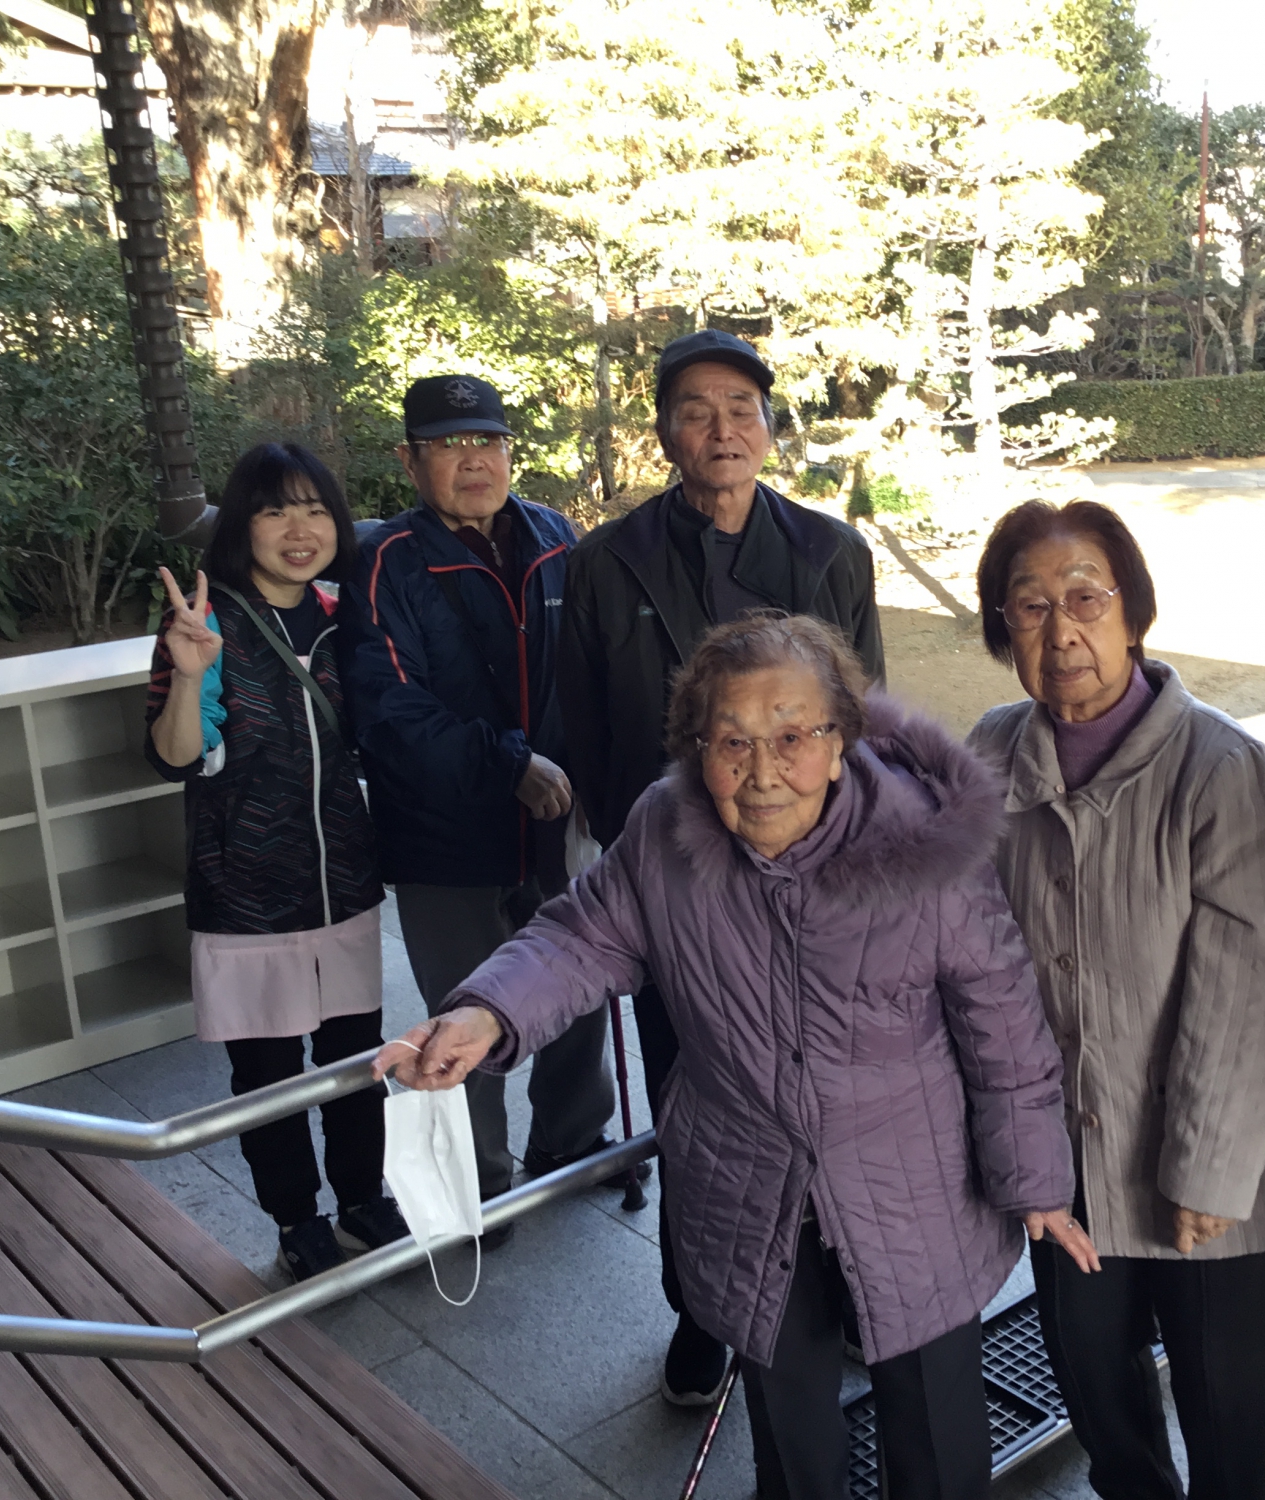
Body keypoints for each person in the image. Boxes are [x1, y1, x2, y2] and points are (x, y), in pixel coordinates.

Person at [378, 614, 1094, 1500]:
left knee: (936, 1437)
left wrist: (1035, 1182)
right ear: (697, 749)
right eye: (732, 742)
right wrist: (486, 1013)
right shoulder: (664, 830)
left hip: (911, 1192)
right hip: (745, 1184)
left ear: (840, 743)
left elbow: (1003, 1024)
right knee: (791, 1441)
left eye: (792, 737)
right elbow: (579, 936)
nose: (761, 773)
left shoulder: (923, 848)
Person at [966, 499, 1265, 1500]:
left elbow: (1248, 985)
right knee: (1098, 1395)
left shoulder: (1221, 765)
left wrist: (1205, 1168)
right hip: (1066, 1158)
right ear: (1003, 630)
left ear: (1132, 612)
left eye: (1084, 598)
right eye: (1029, 607)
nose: (1061, 632)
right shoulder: (991, 752)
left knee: (1224, 1412)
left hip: (1207, 1165)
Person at [556, 329, 884, 1402]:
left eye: (742, 408)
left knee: (829, 1091)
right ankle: (703, 1314)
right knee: (691, 1106)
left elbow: (865, 726)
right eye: (696, 410)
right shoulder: (607, 562)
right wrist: (644, 854)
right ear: (664, 433)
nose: (722, 429)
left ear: (770, 428)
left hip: (814, 885)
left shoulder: (830, 554)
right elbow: (585, 724)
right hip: (680, 893)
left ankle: (842, 1289)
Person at [342, 373, 617, 1238]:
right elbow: (389, 709)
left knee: (576, 986)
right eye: (449, 445)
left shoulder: (555, 537)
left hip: (558, 826)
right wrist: (509, 764)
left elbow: (597, 669)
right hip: (447, 838)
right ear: (409, 461)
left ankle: (573, 1143)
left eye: (488, 442)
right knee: (464, 1008)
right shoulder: (387, 560)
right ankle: (479, 1185)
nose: (474, 461)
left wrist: (598, 777)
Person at [144, 442, 407, 1281]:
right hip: (245, 889)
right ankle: (297, 1217)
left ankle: (363, 1197)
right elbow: (176, 758)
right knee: (267, 1073)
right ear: (242, 525)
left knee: (357, 1060)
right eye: (275, 511)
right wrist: (190, 674)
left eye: (315, 510)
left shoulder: (343, 613)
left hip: (342, 884)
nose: (300, 530)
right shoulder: (205, 622)